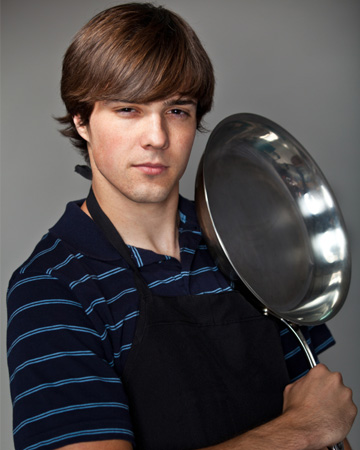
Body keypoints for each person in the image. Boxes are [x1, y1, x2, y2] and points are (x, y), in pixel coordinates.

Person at [6, 3, 356, 450]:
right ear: (82, 120)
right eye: (128, 109)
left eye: (177, 110)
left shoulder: (245, 240)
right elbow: (313, 424)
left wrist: (317, 427)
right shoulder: (52, 287)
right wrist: (299, 431)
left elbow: (325, 422)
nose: (156, 137)